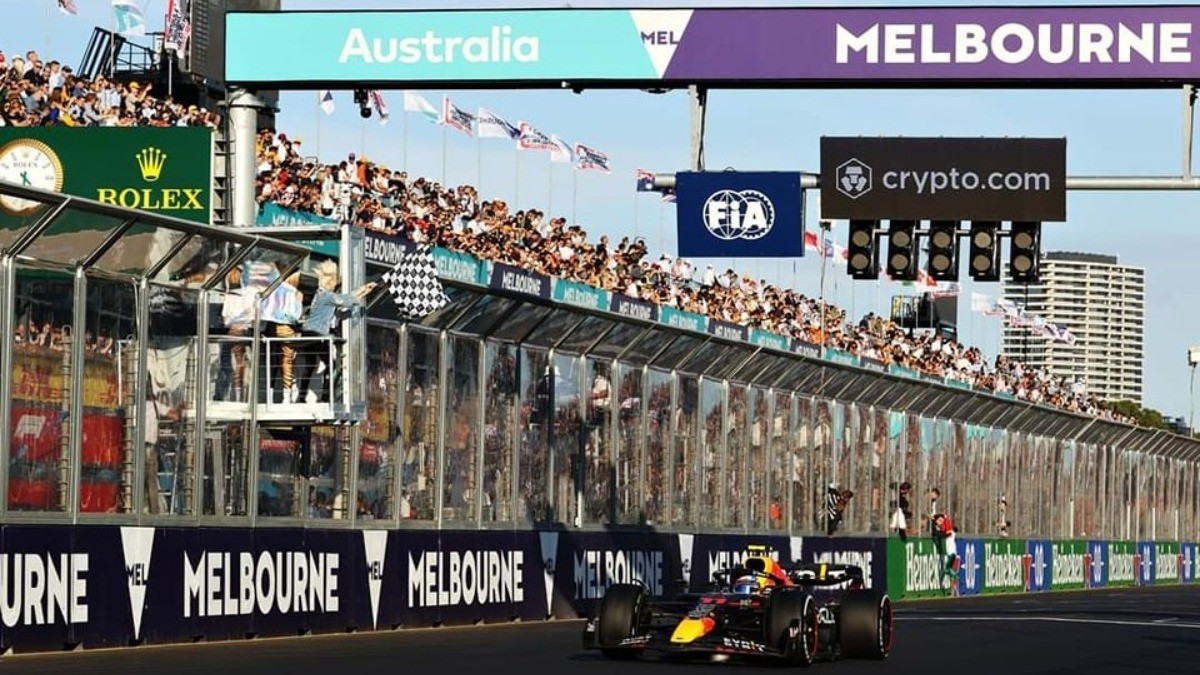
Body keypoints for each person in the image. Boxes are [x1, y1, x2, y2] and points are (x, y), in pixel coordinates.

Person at [299, 260, 378, 403]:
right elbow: (346, 301)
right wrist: (364, 291)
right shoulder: (328, 296)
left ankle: (301, 396)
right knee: (332, 365)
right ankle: (325, 396)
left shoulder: (319, 294)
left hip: (307, 333)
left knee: (309, 365)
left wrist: (363, 289)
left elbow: (345, 299)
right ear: (331, 281)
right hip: (317, 334)